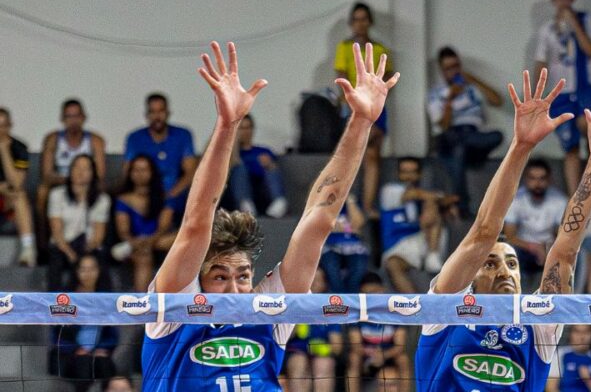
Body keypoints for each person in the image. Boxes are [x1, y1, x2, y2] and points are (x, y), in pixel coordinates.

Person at [140, 41, 399, 391]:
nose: (234, 290)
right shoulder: (173, 312)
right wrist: (228, 125)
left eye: (243, 277)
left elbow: (319, 221)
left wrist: (361, 122)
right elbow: (196, 223)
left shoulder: (268, 313)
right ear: (196, 280)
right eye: (219, 277)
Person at [415, 68, 591, 392]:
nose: (505, 271)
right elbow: (484, 231)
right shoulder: (445, 312)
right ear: (470, 280)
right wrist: (521, 145)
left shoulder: (537, 326)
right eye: (490, 263)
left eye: (512, 263)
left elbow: (564, 253)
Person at [534, 0, 591, 192]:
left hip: (584, 86)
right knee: (570, 145)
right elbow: (541, 62)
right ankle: (575, 196)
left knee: (587, 127)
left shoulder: (585, 20)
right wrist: (536, 97)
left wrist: (574, 24)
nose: (563, 2)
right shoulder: (547, 29)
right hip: (561, 92)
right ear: (553, 1)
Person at [428, 46, 504, 216]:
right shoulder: (436, 93)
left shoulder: (472, 88)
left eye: (456, 66)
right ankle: (462, 206)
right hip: (450, 135)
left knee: (497, 136)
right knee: (457, 146)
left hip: (473, 136)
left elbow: (498, 101)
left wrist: (474, 80)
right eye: (449, 68)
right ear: (442, 71)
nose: (453, 71)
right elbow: (444, 126)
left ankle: (461, 204)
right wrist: (450, 99)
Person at [334, 2, 393, 218]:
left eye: (364, 19)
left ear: (370, 22)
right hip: (353, 106)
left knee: (373, 154)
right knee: (353, 154)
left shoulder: (380, 49)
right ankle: (347, 203)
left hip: (375, 106)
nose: (360, 23)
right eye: (356, 19)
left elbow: (387, 78)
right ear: (352, 23)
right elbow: (341, 78)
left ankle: (368, 206)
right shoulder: (344, 47)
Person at [380, 157, 455, 293]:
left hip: (422, 239)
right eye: (404, 172)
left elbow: (450, 199)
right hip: (398, 244)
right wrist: (442, 199)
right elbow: (416, 194)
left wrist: (447, 205)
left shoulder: (426, 195)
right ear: (398, 174)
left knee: (431, 205)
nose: (408, 176)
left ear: (419, 174)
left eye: (412, 172)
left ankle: (433, 255)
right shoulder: (389, 190)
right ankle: (414, 302)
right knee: (393, 264)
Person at [50, 255, 118, 392]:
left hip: (97, 354)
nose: (88, 273)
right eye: (83, 269)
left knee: (104, 364)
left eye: (92, 269)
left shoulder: (106, 299)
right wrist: (76, 349)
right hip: (69, 355)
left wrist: (101, 348)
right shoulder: (66, 300)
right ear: (76, 271)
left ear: (99, 271)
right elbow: (56, 335)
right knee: (84, 363)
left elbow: (113, 335)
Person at [112, 154, 178, 292]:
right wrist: (137, 243)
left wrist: (149, 241)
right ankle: (142, 300)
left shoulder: (164, 196)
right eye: (136, 170)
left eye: (144, 170)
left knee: (183, 239)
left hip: (159, 240)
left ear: (152, 172)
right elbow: (123, 231)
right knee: (143, 256)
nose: (140, 174)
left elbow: (164, 227)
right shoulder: (123, 199)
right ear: (130, 173)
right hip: (134, 244)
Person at [123, 93, 197, 212]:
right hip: (144, 198)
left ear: (168, 113)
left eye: (161, 111)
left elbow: (191, 173)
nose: (157, 117)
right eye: (152, 112)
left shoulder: (182, 135)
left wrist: (171, 195)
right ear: (147, 115)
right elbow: (128, 172)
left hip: (175, 196)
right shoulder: (135, 138)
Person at [47, 155, 110, 291]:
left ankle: (105, 299)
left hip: (88, 246)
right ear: (70, 170)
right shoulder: (57, 194)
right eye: (77, 167)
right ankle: (54, 300)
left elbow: (98, 236)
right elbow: (57, 232)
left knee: (99, 259)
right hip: (63, 245)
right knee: (56, 260)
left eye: (86, 168)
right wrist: (72, 255)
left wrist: (84, 254)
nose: (80, 172)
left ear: (93, 173)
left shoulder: (102, 199)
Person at [39, 99, 108, 220]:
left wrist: (81, 181)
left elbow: (100, 173)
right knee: (42, 191)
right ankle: (42, 231)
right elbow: (47, 173)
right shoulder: (53, 139)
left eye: (77, 116)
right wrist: (71, 180)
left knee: (102, 191)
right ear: (62, 119)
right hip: (60, 183)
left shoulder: (96, 140)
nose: (73, 121)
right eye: (69, 116)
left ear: (84, 117)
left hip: (87, 183)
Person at [348, 272, 411, 392]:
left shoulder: (396, 312)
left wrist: (383, 355)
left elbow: (400, 346)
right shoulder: (356, 314)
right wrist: (371, 355)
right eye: (367, 294)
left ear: (383, 290)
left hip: (389, 356)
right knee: (353, 358)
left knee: (403, 359)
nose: (371, 297)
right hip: (366, 357)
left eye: (374, 292)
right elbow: (356, 346)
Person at [503, 159, 568, 275]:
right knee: (508, 252)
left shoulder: (560, 201)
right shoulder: (515, 200)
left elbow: (562, 235)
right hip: (522, 246)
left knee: (575, 252)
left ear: (549, 180)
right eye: (532, 178)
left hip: (550, 246)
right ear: (526, 180)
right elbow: (509, 236)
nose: (537, 184)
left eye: (542, 179)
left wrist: (548, 248)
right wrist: (533, 247)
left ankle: (570, 287)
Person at [285, 267, 344, 392]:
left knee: (323, 364)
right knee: (298, 363)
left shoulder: (331, 308)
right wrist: (297, 322)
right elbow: (283, 339)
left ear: (325, 284)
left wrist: (321, 348)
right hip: (296, 352)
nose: (314, 284)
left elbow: (337, 347)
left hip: (322, 354)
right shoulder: (294, 303)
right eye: (311, 280)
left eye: (318, 280)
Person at [0, 107, 36, 266]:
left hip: (8, 201)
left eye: (3, 126)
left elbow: (16, 183)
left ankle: (28, 249)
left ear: (10, 126)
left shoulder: (19, 148)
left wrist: (4, 150)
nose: (0, 131)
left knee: (20, 195)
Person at [236, 114, 289, 218]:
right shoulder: (234, 153)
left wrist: (269, 165)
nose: (246, 132)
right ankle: (246, 205)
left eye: (248, 128)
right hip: (242, 186)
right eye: (242, 128)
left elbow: (275, 170)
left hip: (263, 186)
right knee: (239, 169)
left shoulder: (263, 151)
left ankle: (279, 202)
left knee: (271, 168)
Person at [319, 193, 369, 293]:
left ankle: (351, 299)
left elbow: (358, 223)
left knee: (358, 269)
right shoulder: (324, 202)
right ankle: (340, 299)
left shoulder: (352, 203)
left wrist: (349, 200)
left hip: (354, 247)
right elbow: (325, 225)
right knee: (332, 269)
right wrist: (349, 228)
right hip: (330, 246)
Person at [547, 325, 591, 392]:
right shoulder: (559, 355)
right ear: (570, 334)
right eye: (577, 331)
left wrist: (588, 380)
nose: (581, 336)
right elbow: (550, 389)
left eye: (586, 332)